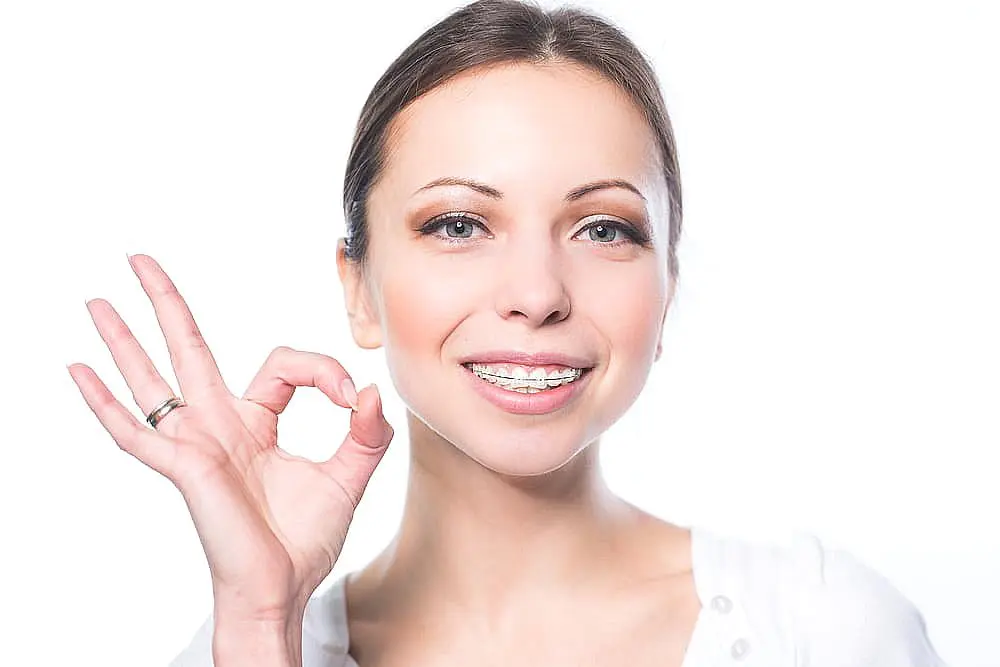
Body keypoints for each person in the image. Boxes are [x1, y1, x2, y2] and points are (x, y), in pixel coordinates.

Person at [67, 1, 947, 665]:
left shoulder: (827, 630)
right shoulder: (243, 644)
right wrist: (262, 622)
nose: (536, 294)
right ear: (359, 289)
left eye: (604, 228)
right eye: (458, 224)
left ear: (666, 289)